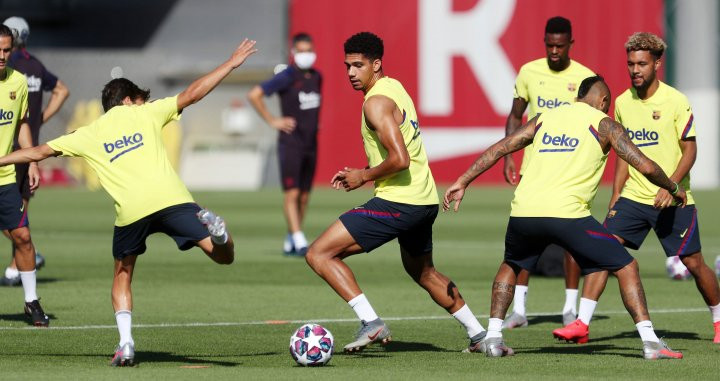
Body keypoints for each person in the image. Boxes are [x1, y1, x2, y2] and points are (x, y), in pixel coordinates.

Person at [0, 39, 257, 366]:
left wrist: (1, 159)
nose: (143, 102)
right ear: (128, 100)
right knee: (224, 257)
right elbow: (193, 92)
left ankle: (126, 344)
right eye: (140, 98)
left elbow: (38, 152)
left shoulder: (88, 133)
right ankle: (219, 235)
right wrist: (231, 63)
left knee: (123, 275)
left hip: (132, 212)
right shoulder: (147, 113)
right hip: (174, 200)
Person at [444, 75, 684, 360]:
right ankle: (651, 342)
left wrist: (463, 180)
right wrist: (673, 187)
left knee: (511, 263)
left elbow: (501, 148)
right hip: (568, 215)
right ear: (604, 101)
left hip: (525, 212)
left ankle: (494, 337)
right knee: (627, 265)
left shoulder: (546, 118)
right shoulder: (604, 124)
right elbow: (643, 164)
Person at [305, 32, 488, 353]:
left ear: (376, 65)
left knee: (319, 253)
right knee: (423, 271)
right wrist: (366, 169)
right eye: (347, 65)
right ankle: (480, 335)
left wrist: (363, 175)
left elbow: (400, 159)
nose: (350, 72)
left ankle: (371, 322)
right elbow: (399, 151)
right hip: (423, 200)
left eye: (358, 66)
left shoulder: (375, 103)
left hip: (399, 202)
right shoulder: (395, 88)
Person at [552, 32, 720, 345]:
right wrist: (616, 195)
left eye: (641, 63)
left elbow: (690, 151)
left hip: (674, 200)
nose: (635, 70)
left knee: (694, 263)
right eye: (630, 64)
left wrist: (670, 187)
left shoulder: (675, 101)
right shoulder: (623, 103)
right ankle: (581, 324)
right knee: (604, 251)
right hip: (633, 198)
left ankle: (719, 318)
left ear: (657, 63)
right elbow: (622, 156)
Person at [502, 16, 595, 329]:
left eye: (560, 45)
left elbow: (597, 125)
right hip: (534, 170)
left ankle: (569, 308)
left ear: (571, 43)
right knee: (526, 239)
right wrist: (510, 156)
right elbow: (516, 116)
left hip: (569, 172)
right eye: (549, 45)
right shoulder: (530, 71)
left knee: (572, 241)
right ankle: (519, 310)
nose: (554, 51)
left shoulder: (585, 78)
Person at [0, 16, 69, 286]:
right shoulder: (36, 66)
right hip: (30, 150)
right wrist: (40, 120)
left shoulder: (12, 69)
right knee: (19, 216)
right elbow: (62, 90)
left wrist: (32, 120)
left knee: (16, 221)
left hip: (12, 150)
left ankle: (21, 263)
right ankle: (17, 265)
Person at [248, 33, 321, 256]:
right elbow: (255, 94)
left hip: (311, 143)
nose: (306, 55)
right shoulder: (287, 76)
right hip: (291, 143)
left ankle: (291, 237)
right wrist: (272, 120)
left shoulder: (317, 76)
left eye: (309, 50)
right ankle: (299, 240)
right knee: (292, 192)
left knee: (305, 196)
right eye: (301, 51)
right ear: (293, 52)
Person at [0, 25, 48, 326]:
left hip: (5, 179)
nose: (3, 56)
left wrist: (31, 161)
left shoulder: (17, 82)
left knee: (23, 237)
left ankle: (31, 302)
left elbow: (22, 126)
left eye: (6, 50)